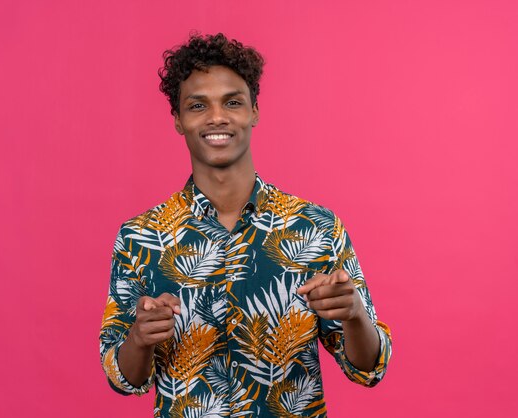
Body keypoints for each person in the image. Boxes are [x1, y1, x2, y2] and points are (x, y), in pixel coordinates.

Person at [100, 32, 392, 417]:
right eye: (198, 105)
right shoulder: (141, 236)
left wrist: (354, 314)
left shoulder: (316, 227)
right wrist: (139, 338)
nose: (217, 117)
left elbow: (369, 368)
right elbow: (124, 379)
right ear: (178, 120)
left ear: (254, 111)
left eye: (232, 102)